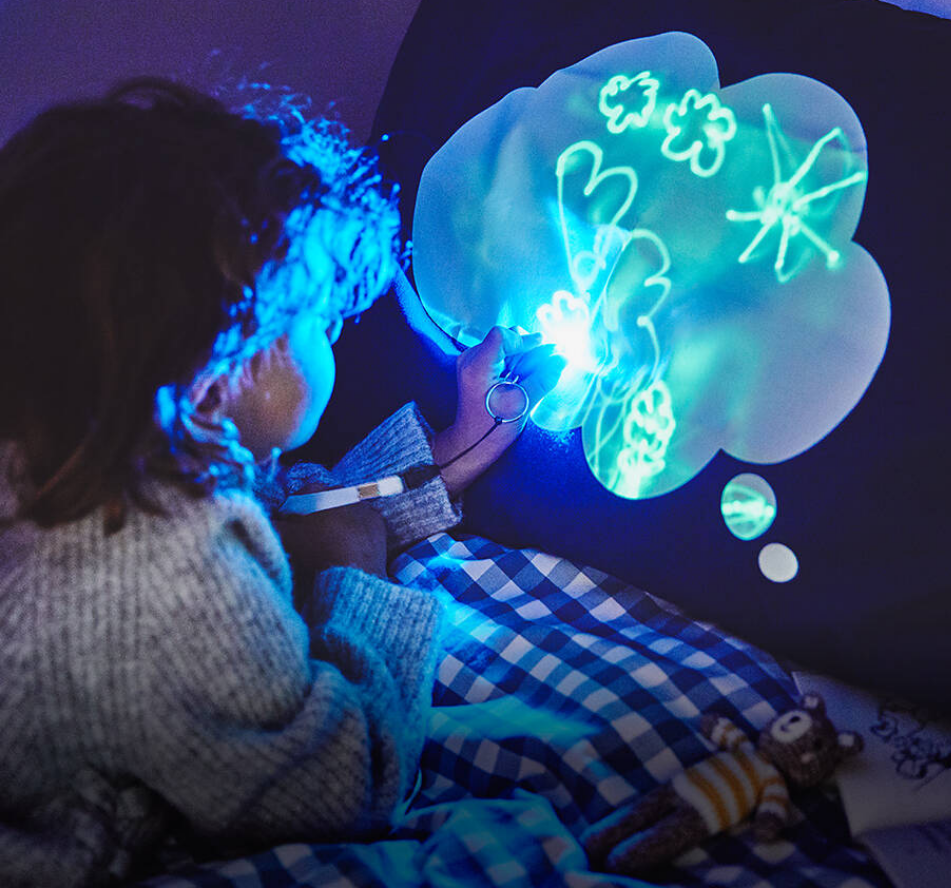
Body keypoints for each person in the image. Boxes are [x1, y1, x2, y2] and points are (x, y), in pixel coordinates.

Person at [0, 78, 563, 887]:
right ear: (221, 371)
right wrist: (361, 573)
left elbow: (280, 503)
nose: (330, 341)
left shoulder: (70, 433)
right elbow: (340, 790)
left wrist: (441, 453)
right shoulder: (164, 577)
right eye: (321, 324)